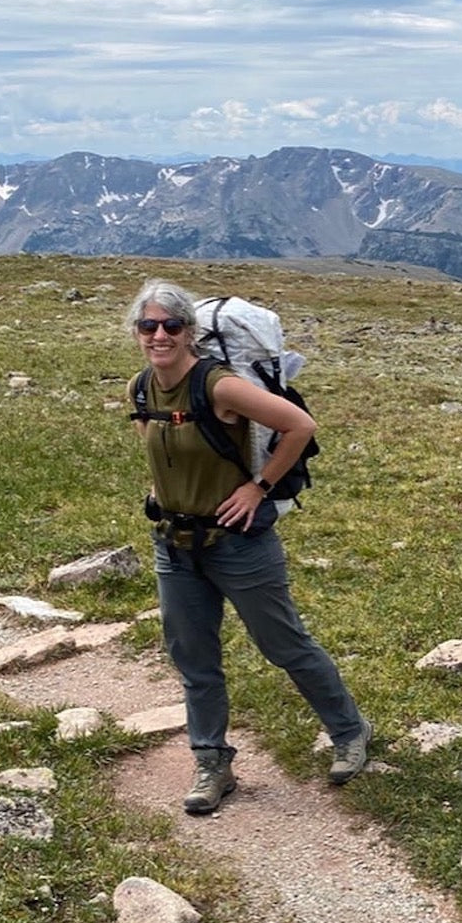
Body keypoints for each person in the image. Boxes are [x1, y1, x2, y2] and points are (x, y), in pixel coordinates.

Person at [125, 278, 371, 814]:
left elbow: (299, 425)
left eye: (171, 325)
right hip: (174, 543)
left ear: (191, 332)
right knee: (194, 658)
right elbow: (152, 440)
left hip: (238, 544)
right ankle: (212, 762)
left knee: (284, 645)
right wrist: (163, 489)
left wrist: (256, 487)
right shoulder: (141, 387)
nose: (159, 335)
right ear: (137, 333)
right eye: (149, 326)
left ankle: (350, 731)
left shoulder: (218, 385)